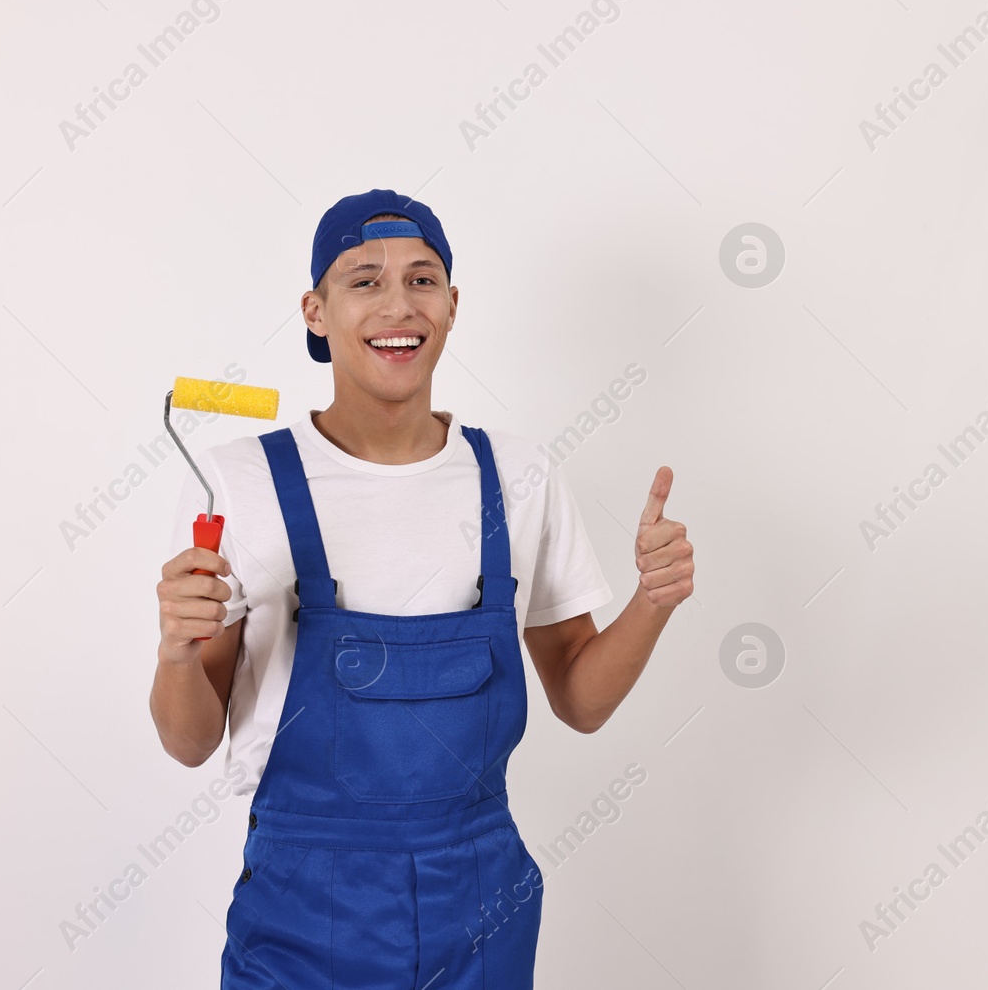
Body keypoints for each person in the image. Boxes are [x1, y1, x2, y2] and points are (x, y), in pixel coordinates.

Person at [149, 188, 694, 988]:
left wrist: (652, 601)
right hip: (303, 914)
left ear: (452, 303)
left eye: (422, 278)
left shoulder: (516, 475)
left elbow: (580, 697)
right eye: (363, 280)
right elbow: (189, 739)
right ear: (316, 309)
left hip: (479, 909)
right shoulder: (242, 484)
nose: (397, 304)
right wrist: (174, 649)